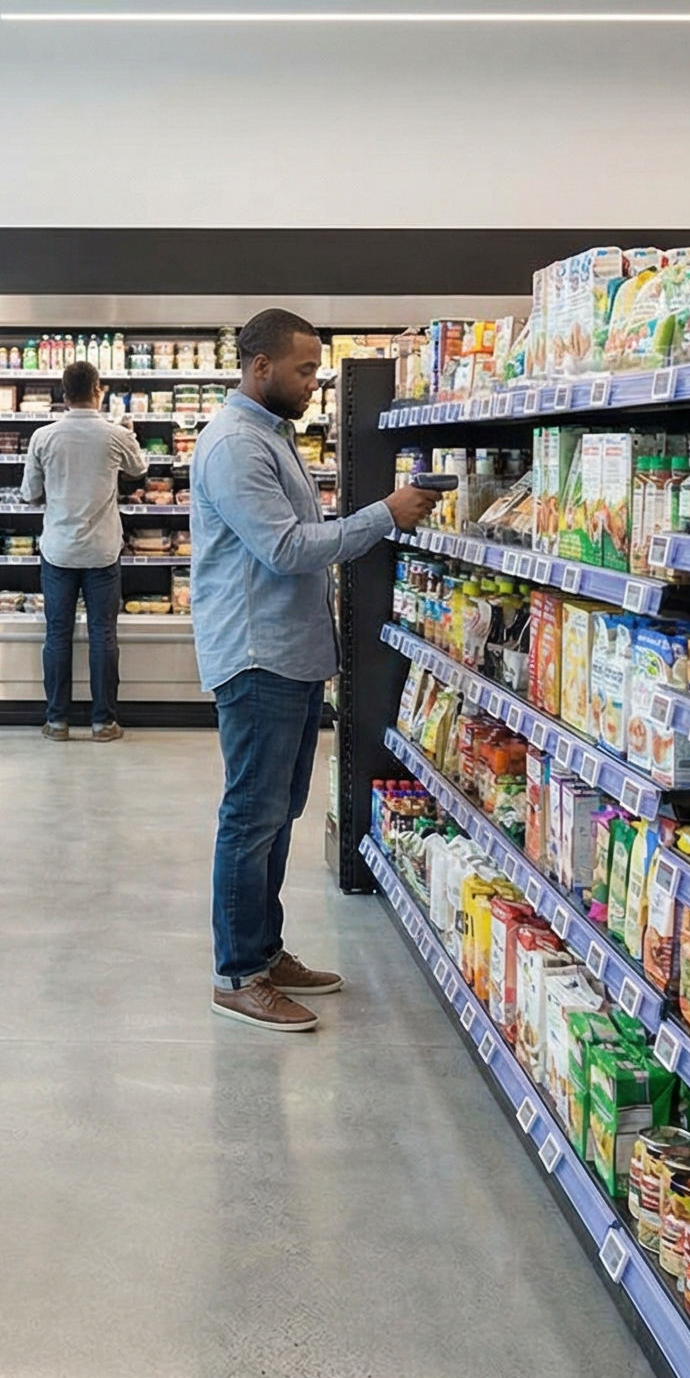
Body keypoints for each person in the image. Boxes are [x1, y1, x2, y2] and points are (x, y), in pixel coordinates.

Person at [190, 308, 439, 1035]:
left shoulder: (272, 437)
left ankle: (263, 952)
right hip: (258, 654)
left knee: (277, 814)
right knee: (250, 816)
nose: (313, 382)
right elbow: (287, 550)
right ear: (259, 366)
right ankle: (237, 974)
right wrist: (384, 515)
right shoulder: (237, 445)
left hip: (290, 652)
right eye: (303, 370)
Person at [20, 360, 148, 741]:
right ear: (99, 390)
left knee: (57, 635)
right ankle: (103, 722)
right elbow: (138, 469)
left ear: (63, 394)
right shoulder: (115, 435)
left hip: (58, 550)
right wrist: (130, 435)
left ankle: (57, 721)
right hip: (102, 551)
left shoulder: (43, 437)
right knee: (102, 635)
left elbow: (29, 494)